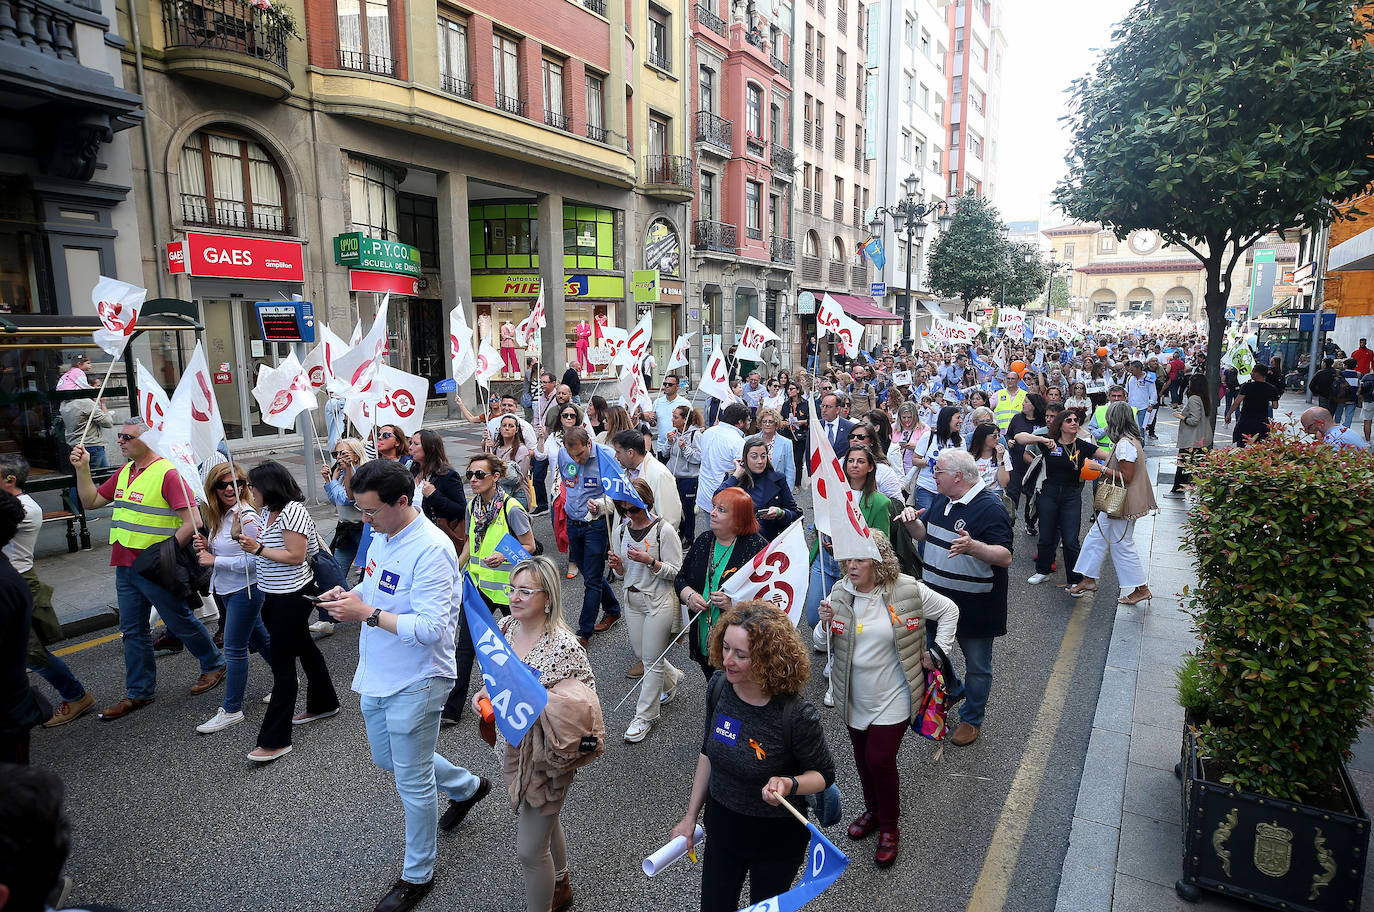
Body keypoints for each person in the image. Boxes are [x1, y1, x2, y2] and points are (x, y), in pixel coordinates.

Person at [317, 460, 489, 912]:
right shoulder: (380, 532)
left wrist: (367, 615)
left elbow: (434, 628)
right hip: (378, 670)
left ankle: (418, 875)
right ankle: (468, 786)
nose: (364, 520)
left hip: (419, 677)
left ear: (403, 502)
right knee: (389, 757)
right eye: (359, 509)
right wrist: (351, 598)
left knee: (411, 780)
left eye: (370, 511)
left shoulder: (432, 548)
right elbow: (374, 587)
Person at [670, 601, 836, 912]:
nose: (727, 660)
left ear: (766, 659)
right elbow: (708, 751)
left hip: (775, 840)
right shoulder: (719, 686)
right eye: (726, 647)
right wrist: (690, 817)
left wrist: (788, 783)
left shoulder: (796, 715)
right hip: (722, 827)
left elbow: (824, 774)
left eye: (740, 654)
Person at [817, 531, 958, 866]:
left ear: (878, 562)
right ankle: (873, 811)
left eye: (859, 560)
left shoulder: (907, 589)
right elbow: (823, 644)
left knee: (880, 759)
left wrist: (938, 652)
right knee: (863, 759)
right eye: (848, 559)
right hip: (853, 694)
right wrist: (823, 625)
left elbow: (950, 611)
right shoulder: (838, 594)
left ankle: (890, 829)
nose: (851, 566)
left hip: (894, 693)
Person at [70, 419, 225, 721]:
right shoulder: (126, 471)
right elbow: (90, 501)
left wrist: (164, 553)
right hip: (125, 565)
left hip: (154, 568)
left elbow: (192, 517)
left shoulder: (167, 472)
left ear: (149, 440)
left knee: (178, 620)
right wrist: (82, 469)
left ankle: (214, 663)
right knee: (132, 630)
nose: (121, 442)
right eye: (119, 437)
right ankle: (140, 692)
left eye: (127, 437)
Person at [473, 557, 596, 912]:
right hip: (511, 748)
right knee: (544, 817)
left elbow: (587, 705)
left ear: (548, 598)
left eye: (526, 591)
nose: (515, 596)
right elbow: (497, 675)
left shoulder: (565, 646)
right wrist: (486, 691)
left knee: (529, 851)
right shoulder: (506, 627)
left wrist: (546, 707)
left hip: (548, 757)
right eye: (512, 589)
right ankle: (561, 883)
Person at [899, 449, 1013, 746]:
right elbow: (926, 536)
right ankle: (952, 688)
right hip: (936, 603)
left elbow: (1005, 556)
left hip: (974, 607)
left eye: (938, 472)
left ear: (957, 477)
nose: (932, 475)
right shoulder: (943, 499)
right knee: (929, 654)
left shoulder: (991, 508)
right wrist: (912, 523)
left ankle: (971, 719)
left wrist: (974, 547)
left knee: (978, 665)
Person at [239, 460, 339, 763]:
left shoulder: (293, 511)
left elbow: (297, 556)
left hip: (291, 597)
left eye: (252, 487)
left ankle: (275, 739)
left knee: (283, 669)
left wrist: (257, 549)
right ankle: (324, 703)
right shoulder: (269, 511)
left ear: (268, 487)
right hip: (274, 594)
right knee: (306, 649)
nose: (249, 492)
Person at [441, 454, 537, 725]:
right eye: (470, 474)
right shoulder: (472, 506)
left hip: (510, 591)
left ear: (496, 477)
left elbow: (529, 546)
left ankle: (523, 700)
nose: (472, 479)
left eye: (479, 475)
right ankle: (451, 709)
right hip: (478, 588)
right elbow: (470, 544)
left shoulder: (512, 508)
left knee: (519, 646)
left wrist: (503, 557)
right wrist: (456, 567)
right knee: (465, 648)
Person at [0, 455, 94, 728]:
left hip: (15, 583)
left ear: (10, 480)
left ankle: (76, 696)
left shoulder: (24, 508)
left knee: (33, 654)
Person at [192, 462, 272, 735]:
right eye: (223, 484)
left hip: (246, 589)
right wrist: (207, 545)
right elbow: (226, 550)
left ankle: (232, 709)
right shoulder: (221, 515)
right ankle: (288, 678)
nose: (231, 488)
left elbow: (255, 561)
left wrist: (215, 559)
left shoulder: (246, 517)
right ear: (213, 488)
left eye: (237, 482)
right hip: (226, 588)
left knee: (235, 648)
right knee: (259, 637)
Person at [609, 478, 685, 742]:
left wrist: (651, 561)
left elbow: (677, 572)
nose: (628, 515)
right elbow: (622, 575)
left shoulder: (663, 531)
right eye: (623, 510)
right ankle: (672, 677)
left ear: (646, 503)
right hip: (632, 601)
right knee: (644, 653)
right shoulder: (620, 530)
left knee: (650, 662)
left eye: (633, 509)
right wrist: (618, 566)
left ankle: (644, 717)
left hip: (658, 601)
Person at [674, 487, 768, 680]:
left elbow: (767, 599)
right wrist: (689, 596)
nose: (713, 513)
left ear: (739, 519)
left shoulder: (756, 548)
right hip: (703, 633)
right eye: (714, 507)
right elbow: (680, 579)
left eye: (722, 510)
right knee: (713, 685)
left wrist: (734, 605)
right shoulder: (704, 540)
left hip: (740, 644)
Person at [1068, 403, 1157, 605]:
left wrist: (1099, 468)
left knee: (1122, 545)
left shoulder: (1125, 444)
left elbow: (1126, 476)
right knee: (1095, 536)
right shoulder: (1130, 440)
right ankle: (1088, 578)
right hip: (1118, 502)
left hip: (1122, 502)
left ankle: (1141, 588)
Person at [804, 445, 892, 643]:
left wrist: (848, 545)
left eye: (860, 461)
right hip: (825, 561)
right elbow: (820, 521)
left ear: (870, 467)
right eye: (851, 461)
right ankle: (829, 643)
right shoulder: (831, 492)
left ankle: (837, 653)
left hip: (854, 567)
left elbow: (883, 541)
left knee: (846, 618)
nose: (854, 465)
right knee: (813, 615)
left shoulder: (880, 502)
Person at [1014, 408, 1111, 587]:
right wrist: (1041, 439)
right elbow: (1019, 437)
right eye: (1069, 421)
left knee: (1070, 540)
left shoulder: (1082, 445)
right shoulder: (1049, 443)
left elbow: (1107, 456)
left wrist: (1123, 457)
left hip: (1071, 495)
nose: (1074, 423)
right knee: (1046, 535)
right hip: (1048, 493)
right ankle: (1042, 571)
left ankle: (1075, 580)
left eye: (1076, 420)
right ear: (1060, 425)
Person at [558, 427, 621, 647]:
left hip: (595, 524)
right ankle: (613, 609)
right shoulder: (563, 454)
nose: (576, 459)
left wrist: (601, 506)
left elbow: (618, 495)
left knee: (592, 581)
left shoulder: (606, 456)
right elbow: (566, 482)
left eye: (580, 455)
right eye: (572, 455)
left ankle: (584, 632)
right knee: (588, 571)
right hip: (573, 521)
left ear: (588, 444)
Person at [717, 435, 801, 541]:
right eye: (754, 456)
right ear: (745, 457)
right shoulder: (736, 480)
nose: (760, 461)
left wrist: (780, 513)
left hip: (770, 543)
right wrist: (736, 475)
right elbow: (717, 500)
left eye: (763, 456)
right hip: (740, 542)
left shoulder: (778, 479)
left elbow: (794, 513)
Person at [694, 403, 750, 532]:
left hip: (705, 493)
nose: (748, 423)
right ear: (740, 422)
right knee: (725, 537)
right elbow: (742, 471)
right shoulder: (738, 442)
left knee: (712, 532)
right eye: (748, 420)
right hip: (725, 498)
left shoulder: (708, 432)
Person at [321, 438, 368, 591]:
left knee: (367, 575)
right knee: (336, 575)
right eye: (336, 454)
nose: (339, 457)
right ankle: (342, 603)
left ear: (355, 455)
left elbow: (348, 498)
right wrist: (329, 480)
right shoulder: (342, 474)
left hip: (362, 531)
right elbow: (336, 502)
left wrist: (333, 481)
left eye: (343, 453)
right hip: (345, 530)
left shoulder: (362, 472)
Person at [611, 428, 681, 530]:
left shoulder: (660, 474)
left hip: (649, 543)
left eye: (618, 452)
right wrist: (598, 506)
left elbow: (670, 519)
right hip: (627, 540)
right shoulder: (624, 472)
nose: (616, 456)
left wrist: (655, 543)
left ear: (630, 453)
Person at [409, 429, 468, 540]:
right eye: (410, 443)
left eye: (416, 444)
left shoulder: (447, 475)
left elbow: (461, 509)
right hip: (411, 533)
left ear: (430, 448)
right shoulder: (412, 471)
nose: (410, 448)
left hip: (433, 536)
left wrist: (434, 495)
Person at [667, 404, 705, 542]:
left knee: (688, 511)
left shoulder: (696, 435)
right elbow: (667, 454)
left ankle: (690, 539)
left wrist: (685, 448)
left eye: (675, 417)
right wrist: (669, 442)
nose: (672, 420)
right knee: (673, 508)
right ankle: (681, 532)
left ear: (685, 419)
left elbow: (698, 458)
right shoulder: (675, 433)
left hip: (689, 479)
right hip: (673, 477)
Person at [1171, 375, 1214, 494]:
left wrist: (1181, 417)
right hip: (1201, 437)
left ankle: (1178, 489)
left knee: (1183, 464)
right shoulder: (1205, 397)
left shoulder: (1194, 398)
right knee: (1197, 465)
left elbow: (1194, 420)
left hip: (1192, 438)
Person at [1224, 364, 1281, 447]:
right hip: (1262, 422)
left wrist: (1229, 414)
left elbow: (1237, 402)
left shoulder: (1247, 386)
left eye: (1253, 371)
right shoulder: (1272, 388)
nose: (1251, 373)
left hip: (1246, 421)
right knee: (1260, 447)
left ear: (1257, 373)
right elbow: (1275, 406)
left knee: (1241, 446)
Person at [490, 416, 533, 510]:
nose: (507, 428)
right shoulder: (496, 448)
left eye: (511, 426)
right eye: (504, 425)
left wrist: (496, 476)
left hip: (517, 494)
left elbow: (517, 478)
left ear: (517, 429)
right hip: (499, 495)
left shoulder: (522, 450)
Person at [755, 408, 795, 491]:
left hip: (776, 489)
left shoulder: (786, 443)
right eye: (764, 421)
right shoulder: (749, 440)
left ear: (776, 424)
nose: (767, 424)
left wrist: (788, 493)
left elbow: (790, 471)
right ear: (760, 424)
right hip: (754, 487)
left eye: (770, 421)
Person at [780, 383, 810, 491]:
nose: (789, 391)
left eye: (792, 389)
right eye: (788, 389)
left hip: (801, 436)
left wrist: (802, 422)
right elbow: (781, 419)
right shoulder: (786, 404)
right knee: (788, 459)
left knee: (798, 459)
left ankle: (797, 483)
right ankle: (787, 482)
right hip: (788, 435)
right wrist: (785, 423)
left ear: (798, 390)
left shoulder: (805, 404)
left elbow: (810, 419)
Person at [1300, 406, 1373, 449]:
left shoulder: (1333, 439)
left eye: (1308, 427)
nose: (1306, 432)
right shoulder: (1346, 431)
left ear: (1320, 423)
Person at [968, 423, 1011, 494]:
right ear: (983, 437)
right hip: (976, 493)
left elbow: (1003, 484)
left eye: (998, 435)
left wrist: (1000, 459)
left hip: (996, 492)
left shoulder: (1003, 453)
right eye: (994, 436)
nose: (998, 438)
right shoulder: (970, 457)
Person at [651, 374, 687, 459]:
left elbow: (690, 423)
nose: (666, 386)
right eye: (665, 384)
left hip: (677, 447)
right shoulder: (657, 402)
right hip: (662, 447)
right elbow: (653, 424)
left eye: (670, 384)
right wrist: (652, 419)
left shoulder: (684, 403)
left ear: (677, 386)